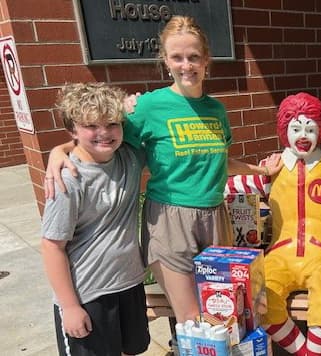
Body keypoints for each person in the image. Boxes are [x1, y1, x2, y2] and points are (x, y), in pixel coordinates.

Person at [44, 16, 281, 325]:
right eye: (177, 57)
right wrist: (57, 152)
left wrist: (260, 171)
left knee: (222, 311)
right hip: (170, 220)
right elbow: (100, 139)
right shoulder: (147, 107)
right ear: (165, 61)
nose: (186, 65)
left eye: (194, 57)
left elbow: (218, 161)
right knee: (193, 319)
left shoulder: (216, 110)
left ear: (206, 60)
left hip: (214, 217)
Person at [225, 92, 321, 355]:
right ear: (283, 131)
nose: (303, 135)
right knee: (260, 298)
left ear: (320, 132)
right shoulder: (271, 167)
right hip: (280, 256)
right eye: (295, 128)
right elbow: (229, 185)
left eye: (310, 129)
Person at [41, 82, 150, 355]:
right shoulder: (67, 179)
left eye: (112, 123)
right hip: (88, 294)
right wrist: (69, 307)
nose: (104, 133)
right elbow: (51, 246)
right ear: (73, 128)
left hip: (129, 283)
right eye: (92, 125)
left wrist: (140, 106)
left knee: (132, 348)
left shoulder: (129, 157)